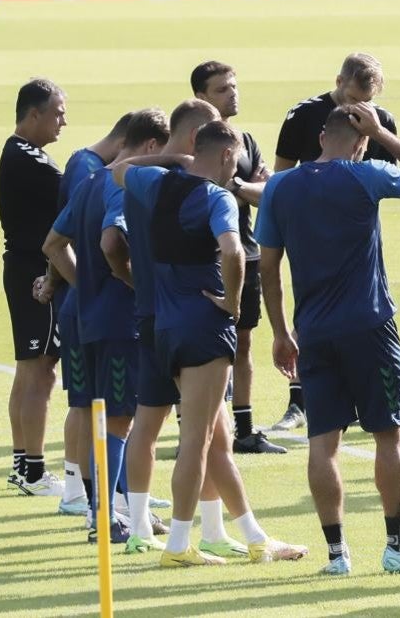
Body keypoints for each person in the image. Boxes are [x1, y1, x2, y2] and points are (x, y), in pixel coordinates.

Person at [258, 103, 400, 576]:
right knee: (391, 435)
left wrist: (282, 333)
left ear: (322, 136)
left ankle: (338, 555)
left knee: (323, 445)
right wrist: (384, 133)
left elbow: (268, 269)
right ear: (361, 143)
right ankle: (397, 546)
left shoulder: (280, 187)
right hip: (370, 326)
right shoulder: (368, 175)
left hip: (314, 333)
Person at [119, 119, 307, 567]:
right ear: (225, 155)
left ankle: (252, 536)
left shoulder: (156, 183)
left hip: (162, 326)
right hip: (203, 329)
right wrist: (232, 302)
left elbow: (120, 169)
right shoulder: (217, 197)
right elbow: (232, 249)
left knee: (215, 438)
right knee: (197, 440)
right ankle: (180, 544)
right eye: (235, 160)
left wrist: (172, 158)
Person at [42, 109, 170, 544]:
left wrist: (86, 284)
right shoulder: (119, 184)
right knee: (119, 423)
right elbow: (112, 241)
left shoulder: (90, 181)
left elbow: (53, 244)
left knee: (104, 419)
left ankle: (117, 513)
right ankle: (108, 518)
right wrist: (133, 283)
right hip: (121, 324)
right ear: (151, 147)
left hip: (89, 317)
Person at [269, 53, 399, 433]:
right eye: (353, 98)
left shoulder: (380, 122)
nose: (359, 109)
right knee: (308, 312)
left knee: (354, 313)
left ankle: (348, 398)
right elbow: (279, 177)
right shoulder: (304, 115)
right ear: (339, 81)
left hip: (356, 234)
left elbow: (391, 177)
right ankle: (298, 402)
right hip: (308, 233)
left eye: (367, 100)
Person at [191, 61, 283, 454]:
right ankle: (197, 430)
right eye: (222, 89)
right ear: (201, 98)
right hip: (203, 258)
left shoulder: (246, 141)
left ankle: (242, 429)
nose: (233, 94)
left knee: (243, 343)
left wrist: (237, 183)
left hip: (245, 255)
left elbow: (270, 195)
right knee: (202, 347)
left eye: (234, 86)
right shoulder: (189, 143)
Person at [49, 112, 132, 515]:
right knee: (107, 408)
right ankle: (104, 498)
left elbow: (54, 242)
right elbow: (108, 243)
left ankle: (81, 492)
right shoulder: (96, 174)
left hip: (79, 309)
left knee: (86, 403)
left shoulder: (88, 173)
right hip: (101, 313)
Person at [0, 78, 66, 496]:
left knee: (29, 368)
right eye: (58, 112)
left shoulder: (18, 152)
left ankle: (22, 464)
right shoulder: (33, 162)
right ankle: (35, 472)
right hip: (36, 273)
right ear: (34, 113)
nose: (64, 120)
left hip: (20, 268)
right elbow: (78, 195)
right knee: (41, 372)